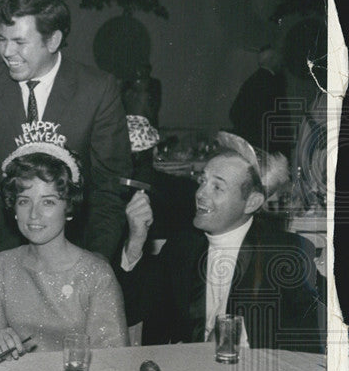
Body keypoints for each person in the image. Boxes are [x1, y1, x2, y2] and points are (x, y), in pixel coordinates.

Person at [0, 0, 132, 305]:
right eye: (2, 39)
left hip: (72, 259)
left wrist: (96, 260)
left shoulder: (98, 90)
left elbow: (109, 188)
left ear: (53, 40)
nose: (6, 52)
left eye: (19, 42)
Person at [118, 131, 323, 353]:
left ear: (252, 202)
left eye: (217, 187)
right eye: (202, 181)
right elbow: (132, 311)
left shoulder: (286, 253)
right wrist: (135, 242)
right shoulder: (183, 246)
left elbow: (310, 344)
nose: (200, 193)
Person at [0, 139, 128, 354]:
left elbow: (113, 358)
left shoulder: (96, 274)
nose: (33, 214)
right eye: (24, 201)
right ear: (13, 207)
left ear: (68, 206)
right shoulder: (2, 265)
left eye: (48, 202)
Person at [229, 46, 286, 152]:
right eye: (278, 58)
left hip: (253, 145)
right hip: (269, 146)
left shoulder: (251, 80)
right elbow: (280, 119)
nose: (281, 62)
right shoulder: (274, 83)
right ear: (272, 60)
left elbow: (234, 113)